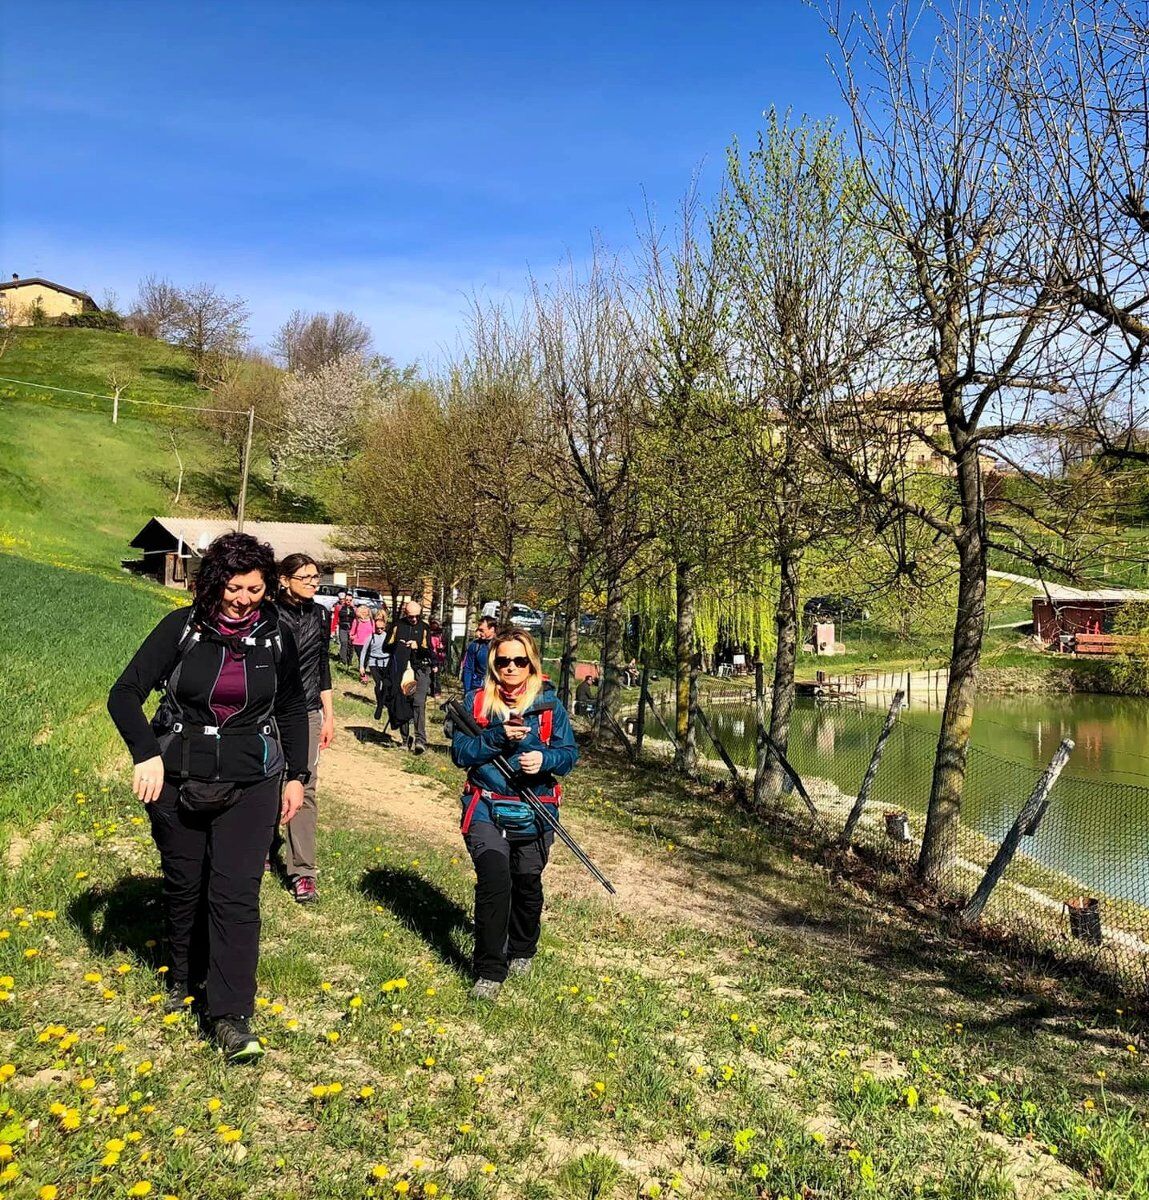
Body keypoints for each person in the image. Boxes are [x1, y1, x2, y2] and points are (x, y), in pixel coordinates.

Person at [107, 532, 309, 1064]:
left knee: (236, 893)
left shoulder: (277, 635)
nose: (244, 599)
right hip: (176, 778)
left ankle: (230, 1015)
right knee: (186, 883)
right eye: (235, 588)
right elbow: (123, 694)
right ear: (215, 584)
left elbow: (290, 706)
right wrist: (145, 754)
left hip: (253, 781)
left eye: (255, 589)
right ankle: (182, 974)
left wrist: (297, 776)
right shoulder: (181, 629)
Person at [450, 629, 578, 1002]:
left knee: (526, 880)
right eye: (503, 660)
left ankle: (522, 948)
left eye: (519, 661)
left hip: (536, 807)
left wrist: (543, 758)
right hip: (485, 804)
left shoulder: (551, 705)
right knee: (494, 877)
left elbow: (569, 755)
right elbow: (461, 754)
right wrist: (497, 737)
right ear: (493, 663)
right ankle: (490, 969)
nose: (510, 667)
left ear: (532, 663)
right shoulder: (476, 703)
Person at [273, 552, 335, 904]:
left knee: (305, 786)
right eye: (306, 577)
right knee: (266, 779)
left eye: (316, 577)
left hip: (308, 710)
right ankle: (262, 846)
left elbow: (321, 666)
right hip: (268, 711)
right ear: (284, 579)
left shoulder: (320, 615)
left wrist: (329, 714)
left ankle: (303, 872)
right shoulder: (269, 614)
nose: (313, 583)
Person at [384, 600, 433, 753]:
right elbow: (386, 647)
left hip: (421, 669)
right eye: (411, 616)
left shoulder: (424, 627)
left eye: (417, 616)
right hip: (401, 669)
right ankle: (405, 739)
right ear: (406, 614)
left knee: (418, 702)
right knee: (401, 702)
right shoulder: (397, 625)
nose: (414, 619)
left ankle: (420, 740)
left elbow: (429, 651)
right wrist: (399, 645)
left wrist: (417, 647)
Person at [359, 608, 392, 720]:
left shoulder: (387, 636)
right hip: (374, 662)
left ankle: (383, 702)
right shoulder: (371, 637)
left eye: (382, 628)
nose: (379, 630)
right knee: (379, 684)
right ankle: (379, 704)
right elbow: (364, 651)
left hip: (385, 662)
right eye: (377, 628)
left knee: (386, 685)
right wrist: (361, 666)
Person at [459, 615, 496, 693]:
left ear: (492, 629)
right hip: (477, 686)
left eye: (482, 630)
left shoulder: (501, 646)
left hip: (494, 687)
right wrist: (467, 691)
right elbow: (468, 669)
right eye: (479, 630)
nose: (479, 633)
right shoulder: (475, 646)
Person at [332, 592, 356, 666]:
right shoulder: (339, 607)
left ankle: (349, 661)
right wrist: (333, 630)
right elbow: (335, 619)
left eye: (350, 600)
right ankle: (343, 660)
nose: (348, 601)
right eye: (347, 600)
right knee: (344, 643)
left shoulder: (355, 609)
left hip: (352, 628)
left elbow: (357, 620)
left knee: (351, 645)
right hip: (343, 628)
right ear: (344, 600)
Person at [428, 617, 447, 698]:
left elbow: (444, 645)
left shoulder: (440, 635)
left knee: (436, 676)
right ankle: (431, 690)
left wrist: (441, 647)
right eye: (433, 625)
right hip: (431, 656)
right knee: (431, 675)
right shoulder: (429, 635)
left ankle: (437, 691)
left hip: (438, 657)